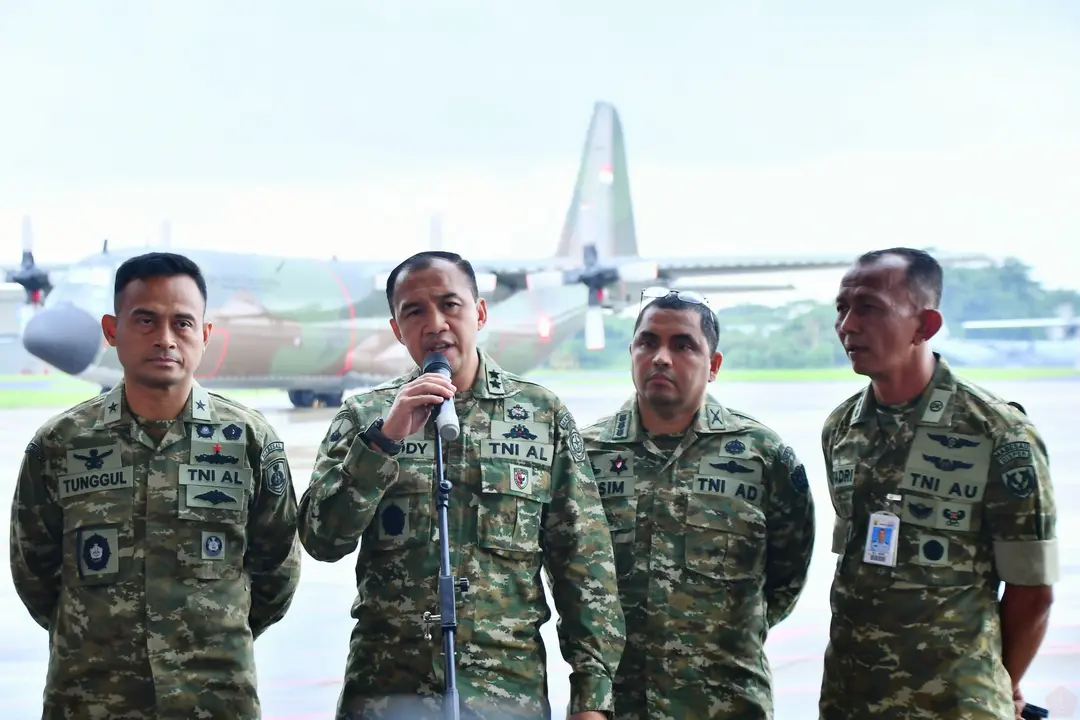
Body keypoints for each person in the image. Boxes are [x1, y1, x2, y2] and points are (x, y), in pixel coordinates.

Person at [297, 250, 625, 720]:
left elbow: (584, 562)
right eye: (414, 311)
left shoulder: (541, 415)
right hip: (388, 692)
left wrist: (592, 698)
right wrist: (384, 441)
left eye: (450, 305)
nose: (435, 324)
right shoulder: (365, 417)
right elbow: (322, 539)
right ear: (397, 329)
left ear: (480, 313)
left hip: (505, 692)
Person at [9, 252, 302, 719]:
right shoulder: (60, 444)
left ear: (204, 335)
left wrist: (208, 636)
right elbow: (34, 571)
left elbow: (277, 569)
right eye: (145, 320)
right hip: (90, 698)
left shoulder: (248, 440)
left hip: (214, 698)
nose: (165, 338)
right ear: (112, 330)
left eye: (182, 323)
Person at [821, 248, 1057, 719]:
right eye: (842, 308)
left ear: (924, 326)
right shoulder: (843, 428)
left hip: (955, 702)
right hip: (852, 697)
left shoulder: (996, 432)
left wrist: (999, 684)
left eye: (869, 308)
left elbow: (1032, 590)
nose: (848, 325)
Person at [581, 289, 816, 720]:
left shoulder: (762, 456)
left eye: (683, 345)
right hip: (618, 703)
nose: (661, 358)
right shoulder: (586, 455)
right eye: (648, 342)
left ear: (714, 365)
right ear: (631, 352)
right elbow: (571, 577)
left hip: (726, 702)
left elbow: (787, 574)